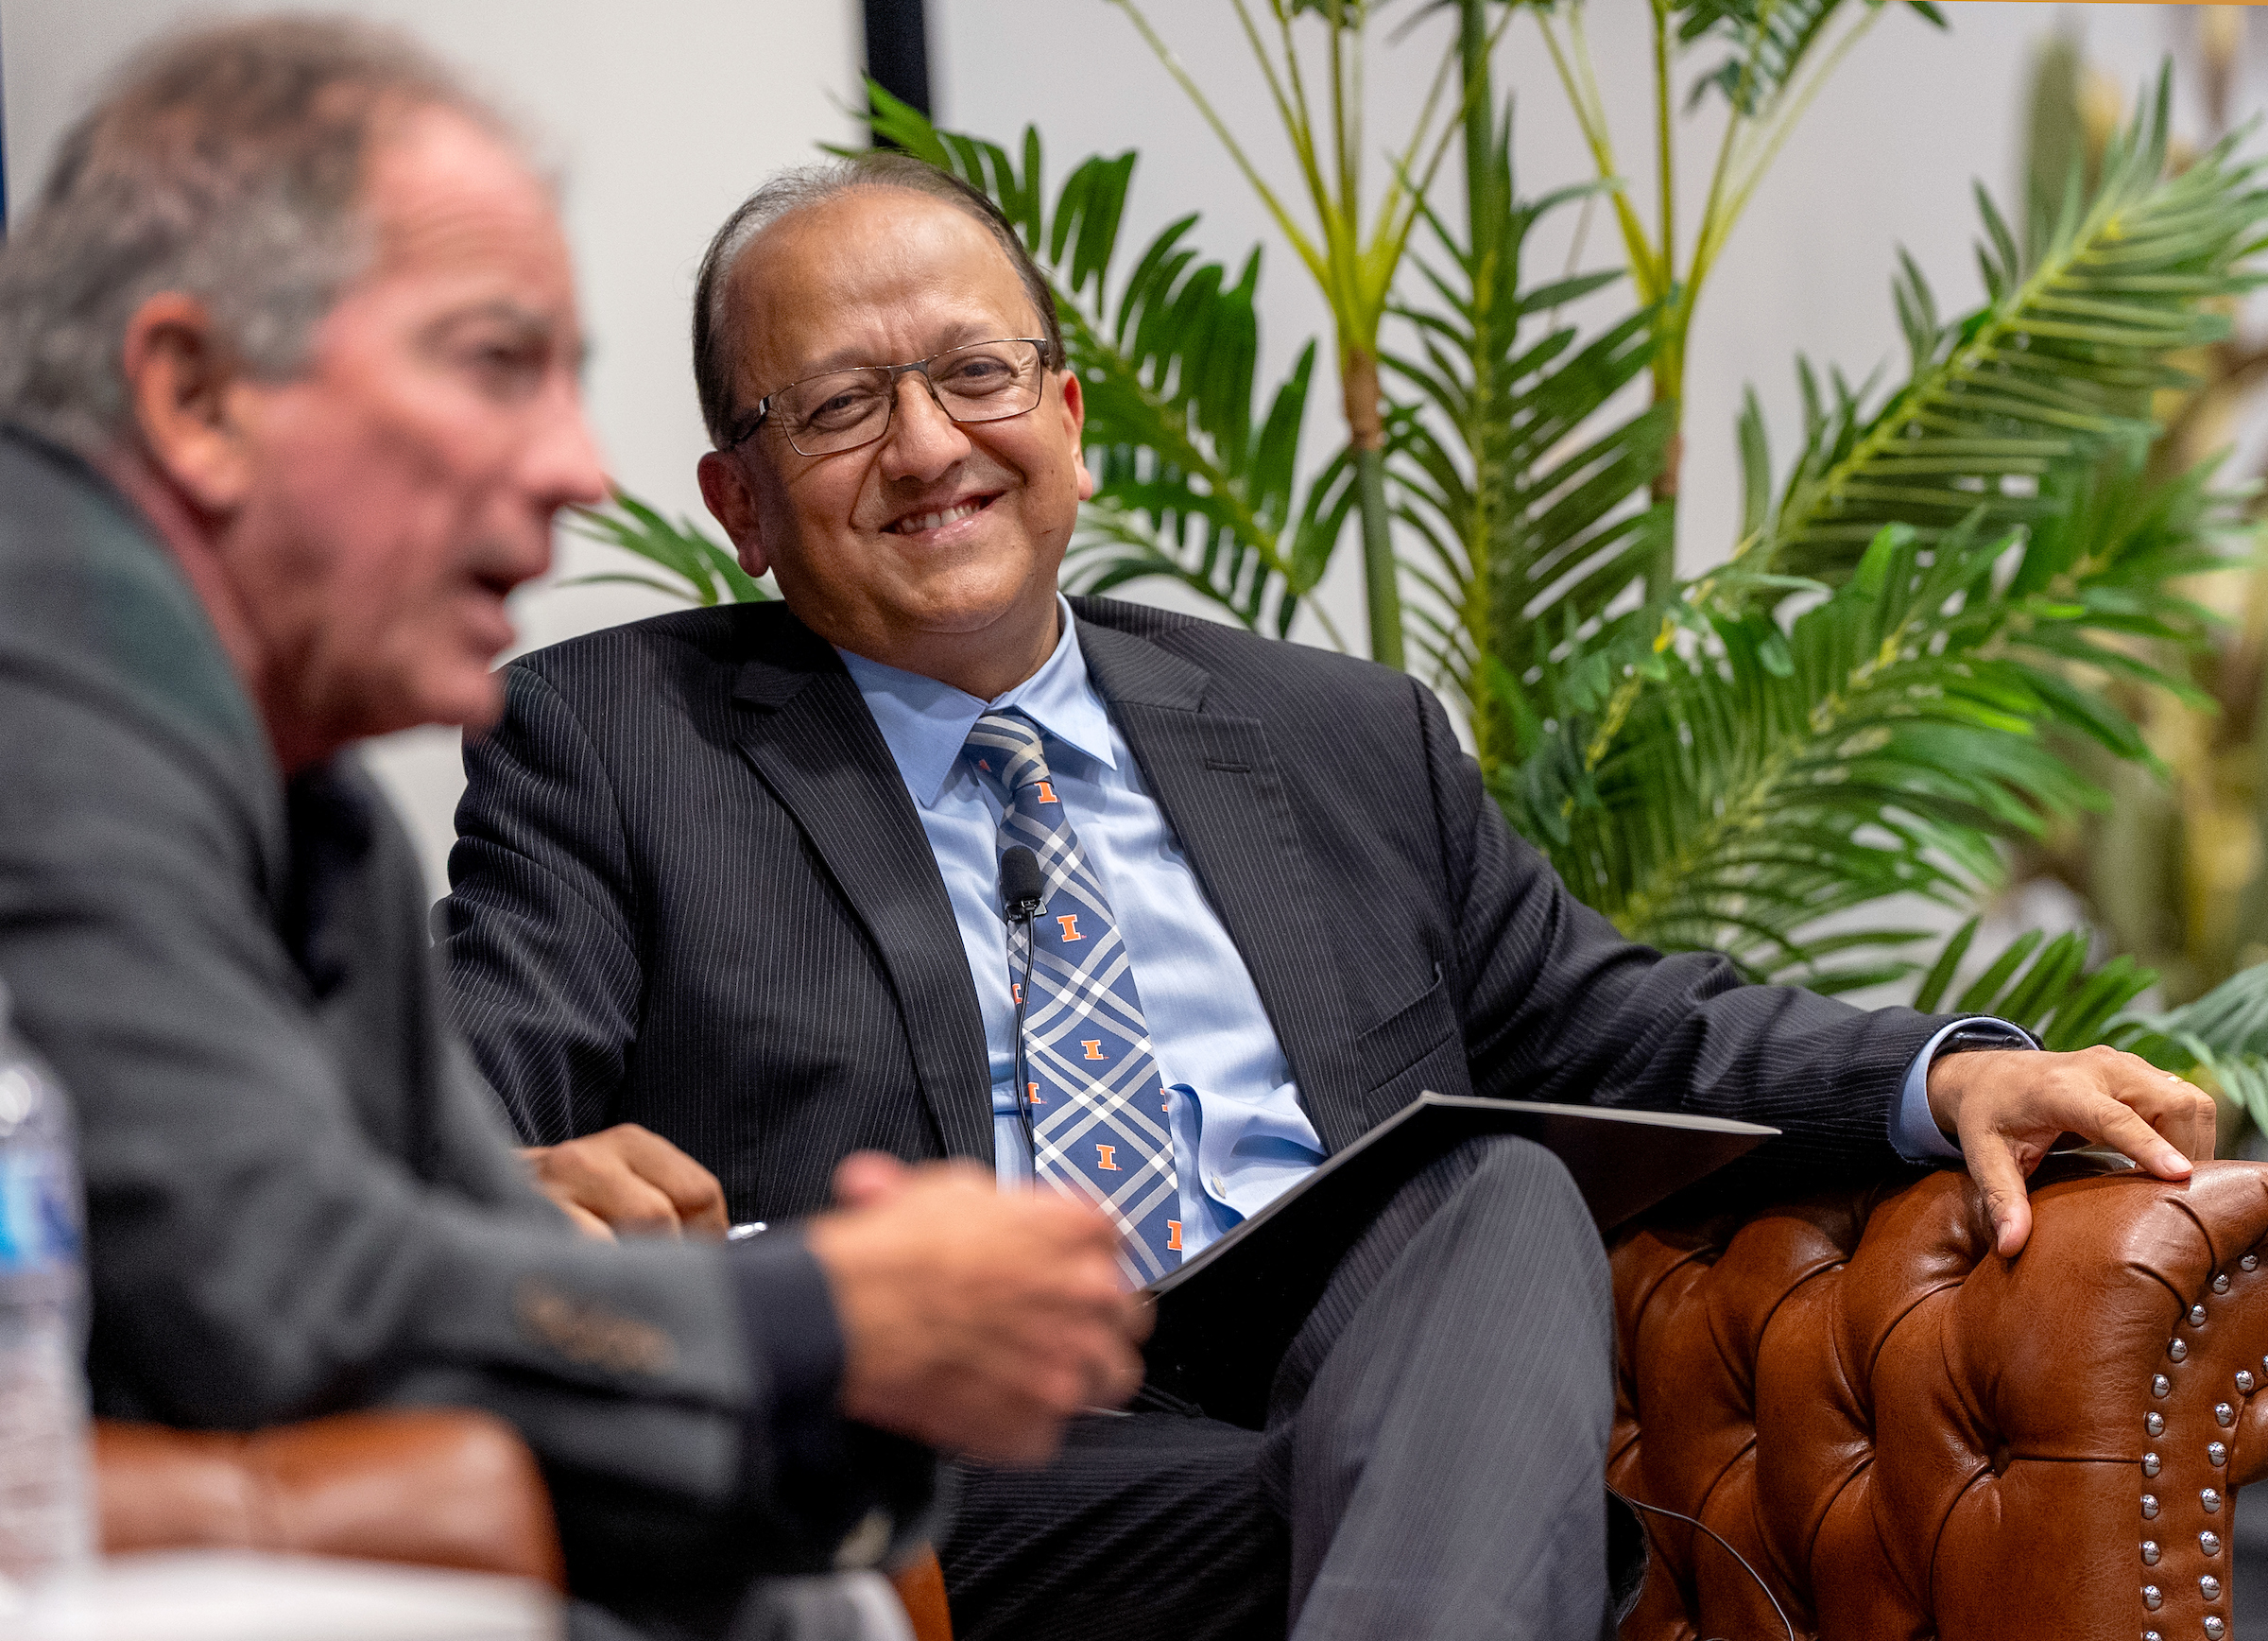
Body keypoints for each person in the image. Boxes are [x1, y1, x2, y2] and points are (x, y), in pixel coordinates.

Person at [438, 152, 2223, 1639]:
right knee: (1463, 1528)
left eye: (976, 376)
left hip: (1356, 1411)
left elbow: (1611, 1015)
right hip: (965, 1457)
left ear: (1066, 417)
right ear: (739, 505)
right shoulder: (613, 743)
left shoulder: (1335, 732)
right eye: (838, 406)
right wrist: (503, 1182)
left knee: (1498, 1181)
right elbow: (460, 1094)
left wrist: (1949, 1075)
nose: (927, 445)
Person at [0, 22, 1147, 1641]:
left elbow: (473, 1277)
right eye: (491, 363)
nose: (573, 468)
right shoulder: (38, 676)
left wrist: (859, 1400)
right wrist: (829, 1311)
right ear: (196, 396)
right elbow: (283, 1291)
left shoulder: (303, 783)